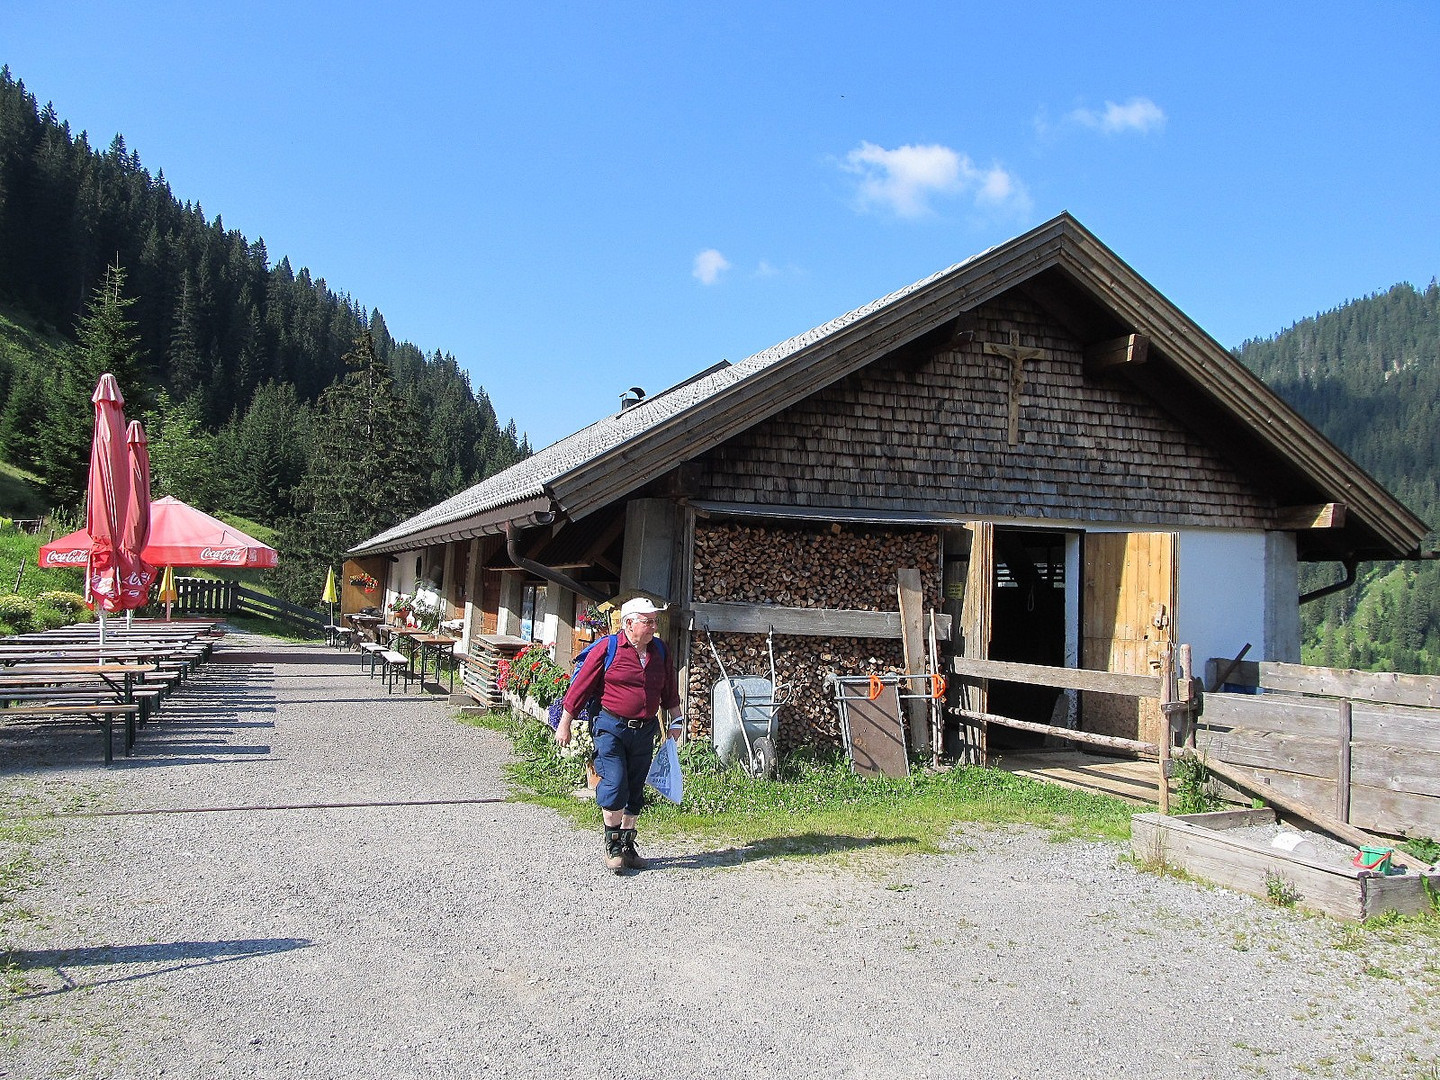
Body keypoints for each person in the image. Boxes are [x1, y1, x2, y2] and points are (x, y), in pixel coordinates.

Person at [556, 596, 684, 872]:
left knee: (635, 787)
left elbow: (669, 689)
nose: (653, 627)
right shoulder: (607, 648)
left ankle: (627, 845)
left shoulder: (660, 651)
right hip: (610, 727)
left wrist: (677, 720)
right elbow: (581, 687)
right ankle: (612, 843)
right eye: (647, 622)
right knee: (615, 782)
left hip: (645, 730)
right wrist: (564, 723)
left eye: (654, 622)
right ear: (628, 624)